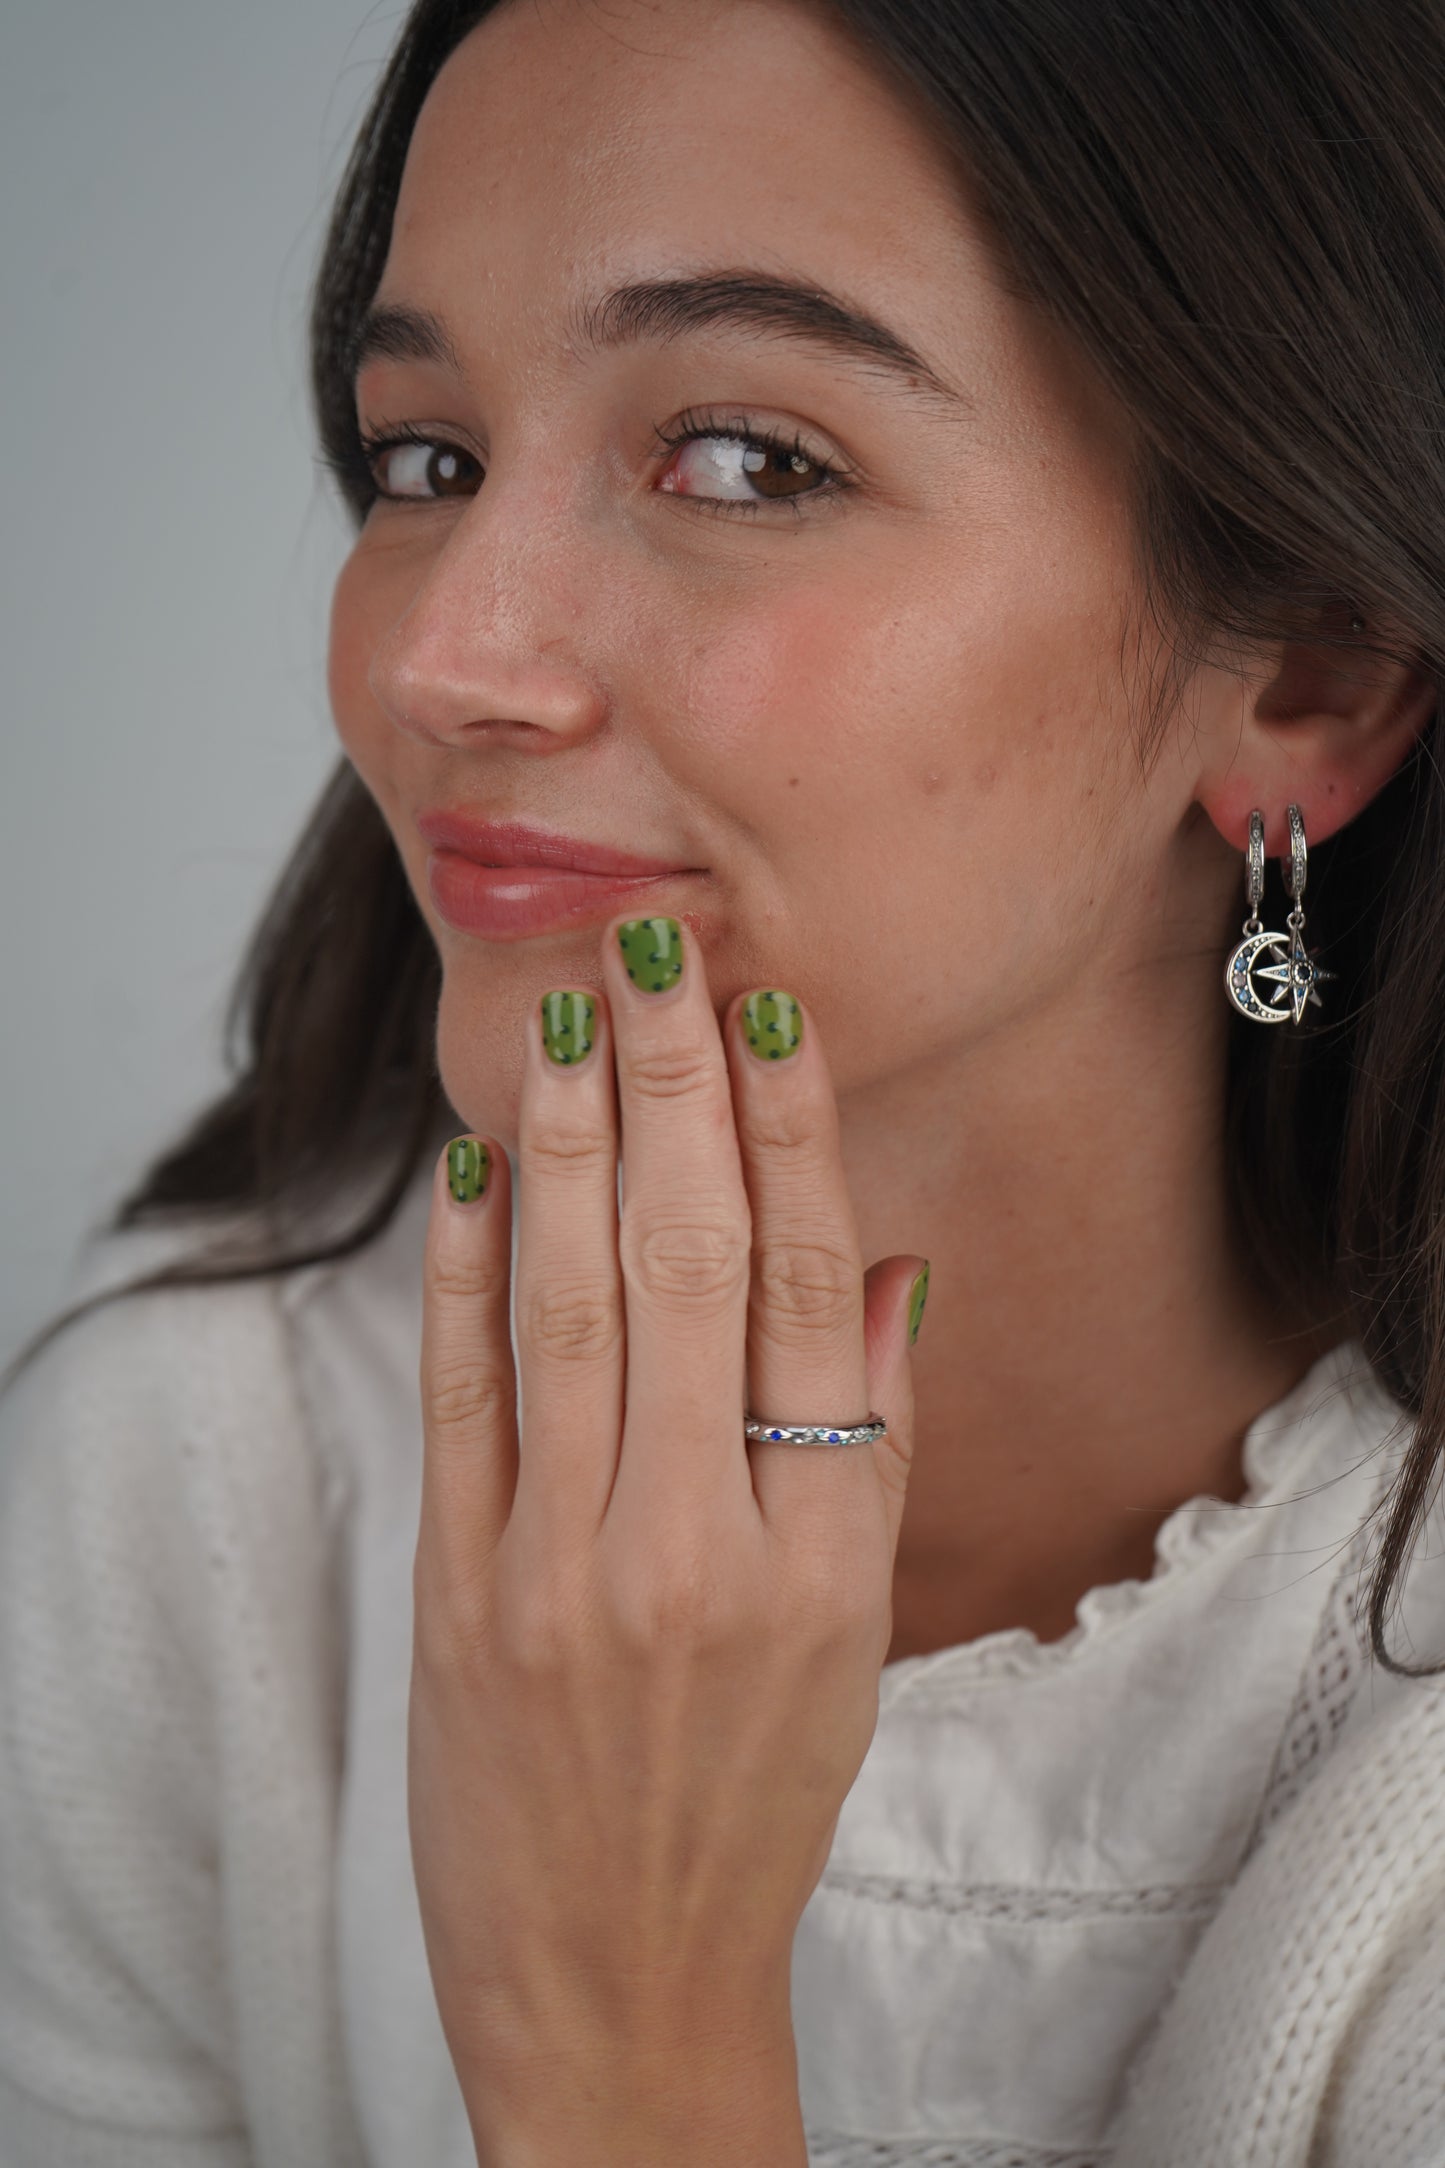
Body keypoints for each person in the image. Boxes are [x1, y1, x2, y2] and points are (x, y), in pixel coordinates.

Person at [3, 0, 1445, 2160]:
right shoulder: (182, 1495)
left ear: (1310, 672)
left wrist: (624, 2038)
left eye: (749, 461)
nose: (440, 659)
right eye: (427, 459)